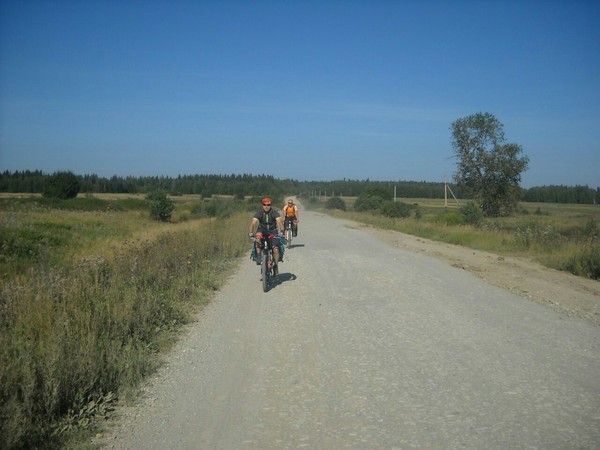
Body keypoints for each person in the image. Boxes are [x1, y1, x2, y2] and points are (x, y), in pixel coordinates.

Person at [248, 197, 284, 273]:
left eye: (268, 205)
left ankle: (276, 266)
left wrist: (281, 232)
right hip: (262, 230)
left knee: (276, 249)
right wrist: (250, 233)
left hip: (272, 231)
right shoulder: (259, 213)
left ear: (270, 205)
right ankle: (259, 256)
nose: (266, 206)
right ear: (262, 205)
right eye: (264, 205)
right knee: (257, 237)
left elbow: (280, 223)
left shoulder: (274, 213)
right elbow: (253, 224)